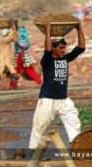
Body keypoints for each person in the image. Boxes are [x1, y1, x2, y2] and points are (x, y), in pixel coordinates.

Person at [29, 22, 86, 154]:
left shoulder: (65, 59)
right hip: (47, 100)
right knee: (39, 126)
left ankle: (76, 150)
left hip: (63, 100)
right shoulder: (46, 61)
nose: (63, 51)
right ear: (54, 48)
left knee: (74, 122)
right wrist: (48, 30)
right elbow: (47, 50)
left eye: (64, 48)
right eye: (60, 48)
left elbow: (81, 47)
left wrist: (79, 28)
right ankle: (33, 155)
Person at [0, 20, 19, 91]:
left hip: (5, 61)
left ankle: (15, 90)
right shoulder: (3, 40)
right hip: (3, 61)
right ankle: (15, 90)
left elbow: (14, 37)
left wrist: (15, 25)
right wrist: (13, 26)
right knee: (15, 76)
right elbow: (12, 37)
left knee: (11, 76)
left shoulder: (4, 40)